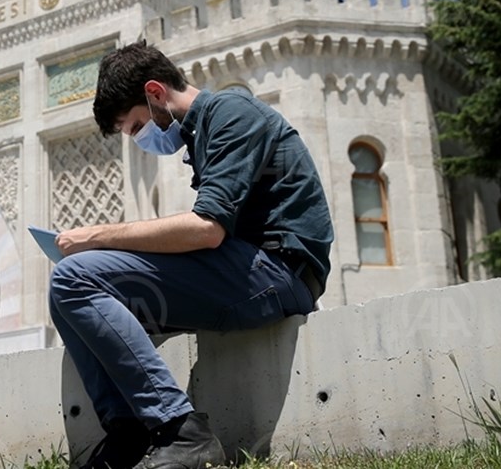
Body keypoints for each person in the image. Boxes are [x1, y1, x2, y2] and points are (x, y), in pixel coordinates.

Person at [48, 41, 333, 469]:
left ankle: (179, 430)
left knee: (75, 277)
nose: (143, 138)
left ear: (156, 93)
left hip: (279, 272)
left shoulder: (233, 113)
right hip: (245, 271)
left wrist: (99, 236)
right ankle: (127, 434)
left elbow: (207, 229)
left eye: (137, 126)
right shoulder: (202, 134)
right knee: (68, 295)